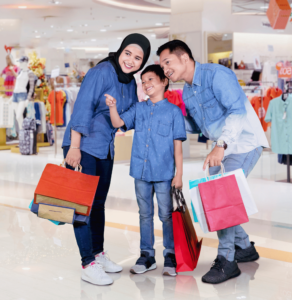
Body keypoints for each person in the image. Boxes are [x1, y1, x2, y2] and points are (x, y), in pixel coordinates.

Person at [157, 40, 269, 284]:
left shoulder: (217, 75)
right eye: (161, 65)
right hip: (221, 147)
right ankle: (243, 247)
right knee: (214, 201)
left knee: (223, 197)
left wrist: (221, 145)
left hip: (243, 142)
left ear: (184, 58)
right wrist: (173, 117)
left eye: (167, 62)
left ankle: (227, 260)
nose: (165, 69)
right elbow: (201, 127)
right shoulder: (187, 91)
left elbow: (237, 111)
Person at [62, 33, 151, 286]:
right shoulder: (101, 72)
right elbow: (83, 107)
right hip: (83, 145)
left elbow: (124, 119)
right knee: (82, 206)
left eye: (138, 58)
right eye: (128, 54)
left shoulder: (130, 83)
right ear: (120, 51)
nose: (131, 61)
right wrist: (75, 146)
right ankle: (87, 263)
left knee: (98, 204)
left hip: (105, 148)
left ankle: (98, 253)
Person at [105, 64, 187, 277]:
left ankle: (170, 254)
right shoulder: (138, 108)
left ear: (164, 82)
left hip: (164, 173)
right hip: (140, 172)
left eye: (150, 79)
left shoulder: (174, 112)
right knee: (144, 215)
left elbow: (178, 147)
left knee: (166, 215)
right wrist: (113, 107)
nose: (146, 84)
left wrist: (179, 174)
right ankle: (147, 255)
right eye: (143, 81)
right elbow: (119, 123)